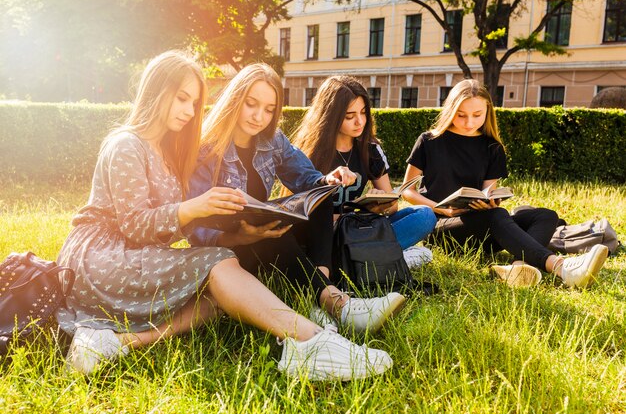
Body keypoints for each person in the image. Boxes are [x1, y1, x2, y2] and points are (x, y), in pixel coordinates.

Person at [55, 50, 392, 381]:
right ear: (155, 92)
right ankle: (312, 341)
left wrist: (227, 224)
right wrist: (199, 210)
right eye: (181, 99)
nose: (189, 112)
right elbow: (136, 226)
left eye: (194, 103)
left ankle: (116, 343)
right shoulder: (127, 144)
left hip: (140, 254)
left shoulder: (169, 149)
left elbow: (164, 230)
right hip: (101, 259)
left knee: (226, 293)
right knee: (220, 263)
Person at [188, 64, 406, 333]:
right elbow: (193, 224)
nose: (259, 117)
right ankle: (338, 304)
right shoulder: (206, 148)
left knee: (321, 196)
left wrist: (329, 179)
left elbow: (307, 178)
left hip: (266, 235)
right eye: (251, 104)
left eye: (269, 110)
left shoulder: (272, 140)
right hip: (229, 249)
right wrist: (235, 237)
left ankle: (318, 296)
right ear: (235, 100)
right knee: (269, 233)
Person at [402, 79, 609, 288]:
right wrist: (440, 209)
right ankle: (561, 267)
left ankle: (518, 268)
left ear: (487, 112)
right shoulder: (428, 141)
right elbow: (407, 191)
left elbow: (487, 192)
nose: (469, 123)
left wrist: (490, 201)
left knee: (546, 215)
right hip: (441, 229)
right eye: (461, 115)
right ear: (450, 110)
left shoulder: (492, 147)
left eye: (477, 115)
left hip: (482, 228)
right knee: (496, 216)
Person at [290, 75, 437, 269]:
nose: (359, 121)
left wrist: (378, 203)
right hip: (325, 235)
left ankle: (367, 259)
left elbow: (392, 207)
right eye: (349, 116)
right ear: (330, 116)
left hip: (360, 228)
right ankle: (384, 258)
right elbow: (296, 210)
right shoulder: (309, 152)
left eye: (363, 112)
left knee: (425, 216)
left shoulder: (371, 150)